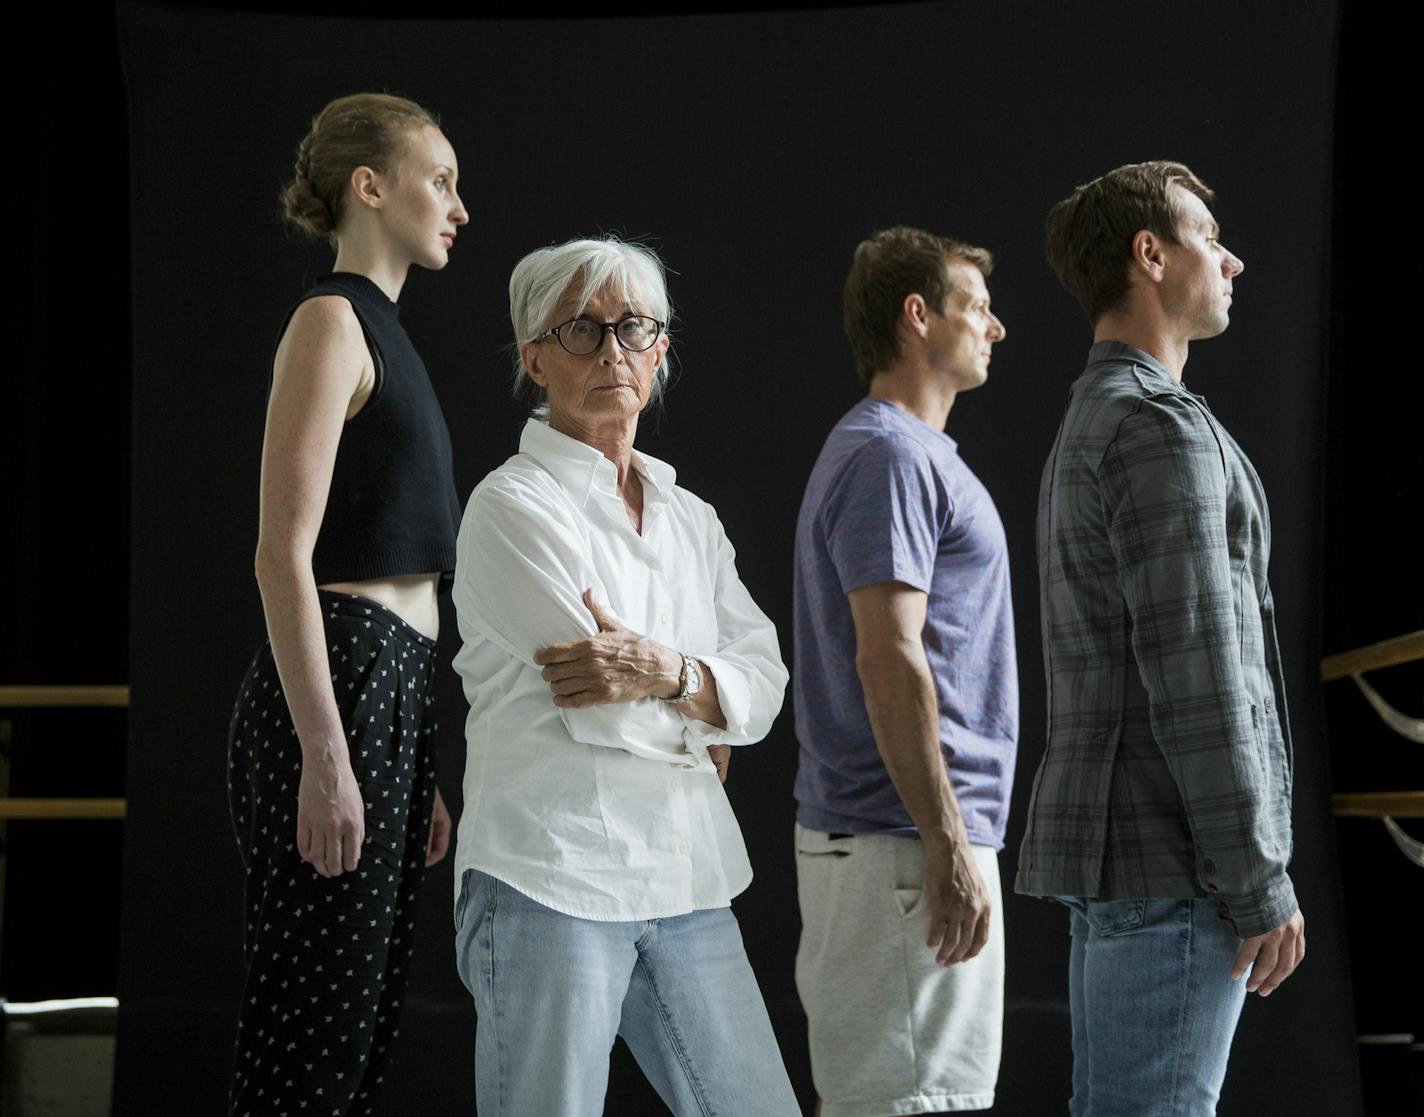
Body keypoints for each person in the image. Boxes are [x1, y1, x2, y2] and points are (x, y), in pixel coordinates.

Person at [449, 235, 800, 1115]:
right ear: (532, 356)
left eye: (635, 327)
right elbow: (596, 710)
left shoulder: (691, 517)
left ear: (662, 350)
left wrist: (669, 672)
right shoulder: (511, 505)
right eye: (581, 328)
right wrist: (706, 714)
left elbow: (766, 681)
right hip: (548, 876)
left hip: (687, 875)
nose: (613, 349)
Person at [1015, 161, 1306, 1116]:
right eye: (1206, 238)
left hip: (1132, 862)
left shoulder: (1098, 414)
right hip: (1175, 867)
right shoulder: (1154, 425)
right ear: (1150, 254)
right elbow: (1200, 673)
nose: (1231, 258)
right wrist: (1258, 877)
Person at [225, 92, 468, 1116]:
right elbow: (281, 554)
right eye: (440, 181)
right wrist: (330, 753)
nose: (458, 206)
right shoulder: (329, 322)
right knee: (311, 1044)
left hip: (392, 691)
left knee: (356, 1039)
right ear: (370, 187)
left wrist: (417, 760)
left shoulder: (386, 334)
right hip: (343, 677)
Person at [792, 226, 1015, 1116]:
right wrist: (947, 842)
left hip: (914, 840)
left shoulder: (911, 453)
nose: (996, 328)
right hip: (903, 843)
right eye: (978, 307)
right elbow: (888, 654)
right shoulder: (888, 453)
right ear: (917, 316)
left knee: (929, 1097)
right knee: (914, 1102)